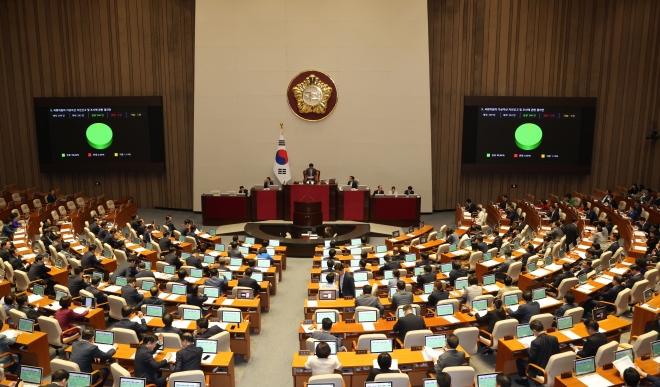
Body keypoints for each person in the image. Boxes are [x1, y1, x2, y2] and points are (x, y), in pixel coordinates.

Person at [515, 319, 559, 386]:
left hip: (540, 370)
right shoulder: (554, 338)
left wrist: (527, 348)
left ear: (534, 330)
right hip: (552, 367)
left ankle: (524, 380)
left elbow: (531, 357)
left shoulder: (535, 342)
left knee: (519, 361)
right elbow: (557, 352)